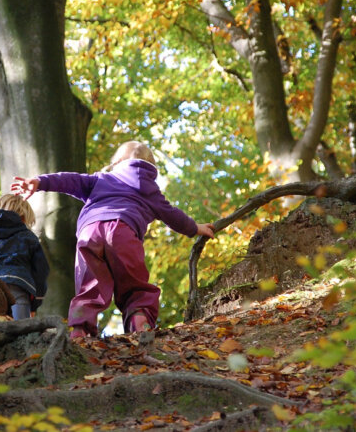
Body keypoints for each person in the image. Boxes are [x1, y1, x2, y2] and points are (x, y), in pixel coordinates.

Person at [11, 141, 214, 338]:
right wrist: (196, 228)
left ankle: (80, 330)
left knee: (89, 287)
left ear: (116, 162)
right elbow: (172, 215)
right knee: (135, 286)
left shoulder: (101, 179)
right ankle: (139, 323)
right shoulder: (150, 190)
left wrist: (39, 182)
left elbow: (69, 180)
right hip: (123, 231)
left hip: (89, 233)